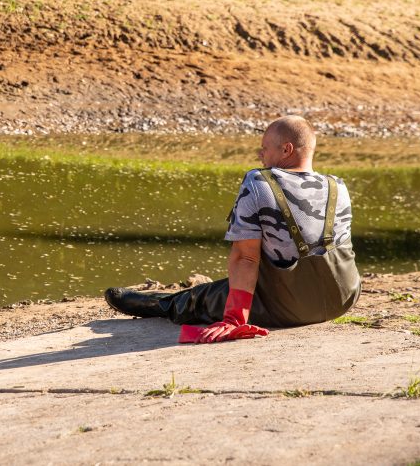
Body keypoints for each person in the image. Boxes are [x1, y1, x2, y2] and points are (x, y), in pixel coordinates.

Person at [104, 115, 361, 343]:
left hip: (290, 308)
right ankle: (169, 298)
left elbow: (245, 257)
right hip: (342, 299)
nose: (260, 155)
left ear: (286, 149)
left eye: (264, 148)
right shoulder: (338, 185)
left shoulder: (259, 181)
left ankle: (162, 303)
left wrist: (234, 319)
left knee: (203, 297)